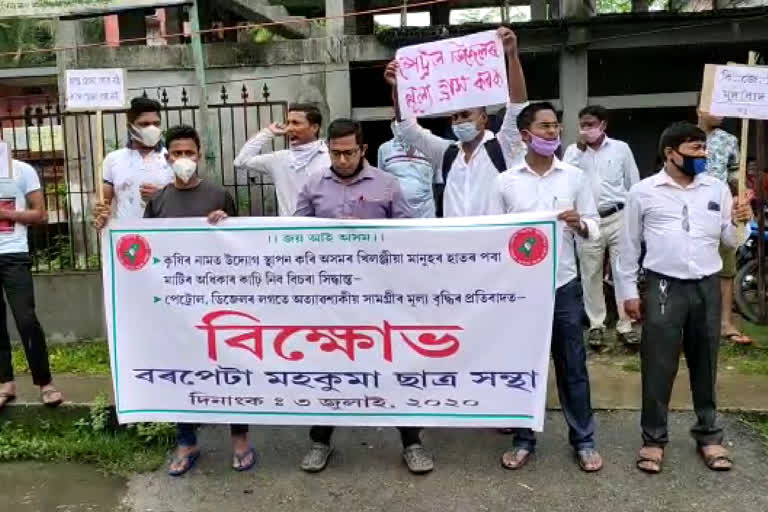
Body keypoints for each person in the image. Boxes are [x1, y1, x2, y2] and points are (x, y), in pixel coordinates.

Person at [294, 119, 431, 474]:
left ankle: (412, 442)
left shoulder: (386, 185)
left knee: (394, 364)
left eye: (349, 152)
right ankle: (320, 441)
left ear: (363, 150)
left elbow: (407, 235)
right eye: (335, 153)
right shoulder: (313, 185)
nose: (342, 159)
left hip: (379, 297)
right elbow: (295, 235)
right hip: (329, 299)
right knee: (328, 368)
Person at [616, 122, 752, 474]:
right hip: (663, 285)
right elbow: (628, 247)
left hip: (706, 286)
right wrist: (629, 293)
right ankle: (653, 439)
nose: (702, 156)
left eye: (704, 149)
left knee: (705, 361)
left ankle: (709, 434)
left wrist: (741, 220)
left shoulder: (718, 188)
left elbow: (731, 242)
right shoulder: (643, 192)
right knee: (659, 365)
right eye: (695, 150)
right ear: (670, 153)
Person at [489, 102, 603, 473]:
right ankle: (523, 440)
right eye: (545, 127)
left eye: (556, 127)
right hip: (520, 290)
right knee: (523, 366)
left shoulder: (573, 177)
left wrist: (579, 224)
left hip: (562, 284)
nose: (553, 133)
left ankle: (584, 441)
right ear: (525, 135)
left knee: (573, 366)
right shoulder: (505, 182)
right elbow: (491, 235)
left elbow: (594, 226)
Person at [144, 125, 255, 477]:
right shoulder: (158, 200)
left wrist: (226, 223)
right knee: (181, 370)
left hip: (219, 303)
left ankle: (240, 440)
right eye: (176, 154)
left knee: (230, 366)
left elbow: (240, 245)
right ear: (167, 157)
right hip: (176, 305)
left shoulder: (219, 195)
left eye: (189, 153)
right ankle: (186, 440)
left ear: (199, 154)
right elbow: (146, 248)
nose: (183, 160)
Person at [383, 26, 528, 217]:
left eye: (465, 115)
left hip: (494, 241)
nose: (459, 121)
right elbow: (408, 129)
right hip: (455, 243)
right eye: (455, 117)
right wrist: (399, 89)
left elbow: (518, 107)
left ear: (483, 118)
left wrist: (512, 56)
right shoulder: (447, 153)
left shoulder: (502, 146)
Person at [563, 105, 641, 350]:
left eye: (590, 125)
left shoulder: (621, 149)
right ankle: (596, 325)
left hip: (619, 216)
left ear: (603, 125)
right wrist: (578, 149)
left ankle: (625, 325)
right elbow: (566, 181)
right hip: (588, 221)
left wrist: (634, 218)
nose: (586, 129)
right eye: (582, 125)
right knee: (590, 273)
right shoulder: (573, 152)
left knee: (622, 272)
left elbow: (633, 183)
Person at [0, 159, 63, 409]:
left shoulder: (22, 170)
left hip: (14, 254)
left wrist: (6, 214)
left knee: (25, 319)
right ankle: (6, 383)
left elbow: (40, 214)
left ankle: (45, 382)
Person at [697, 108, 752, 344]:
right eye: (714, 107)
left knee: (726, 267)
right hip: (690, 208)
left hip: (720, 209)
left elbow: (733, 173)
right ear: (699, 108)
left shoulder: (729, 140)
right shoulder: (684, 136)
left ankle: (725, 323)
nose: (720, 114)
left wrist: (741, 191)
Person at [234, 103, 330, 217]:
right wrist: (268, 133)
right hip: (288, 231)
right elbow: (240, 162)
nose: (289, 128)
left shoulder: (330, 158)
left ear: (314, 127)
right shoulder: (280, 159)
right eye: (288, 123)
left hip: (322, 230)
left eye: (296, 123)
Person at [93, 97, 174, 229]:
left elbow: (188, 198)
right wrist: (100, 212)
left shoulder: (172, 157)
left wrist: (160, 196)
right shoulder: (113, 159)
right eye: (145, 124)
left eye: (156, 123)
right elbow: (103, 202)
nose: (152, 128)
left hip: (167, 234)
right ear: (130, 126)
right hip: (130, 237)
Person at [377, 121, 438, 217]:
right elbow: (382, 183)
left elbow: (437, 183)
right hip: (397, 215)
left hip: (426, 214)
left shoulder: (430, 146)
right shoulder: (384, 149)